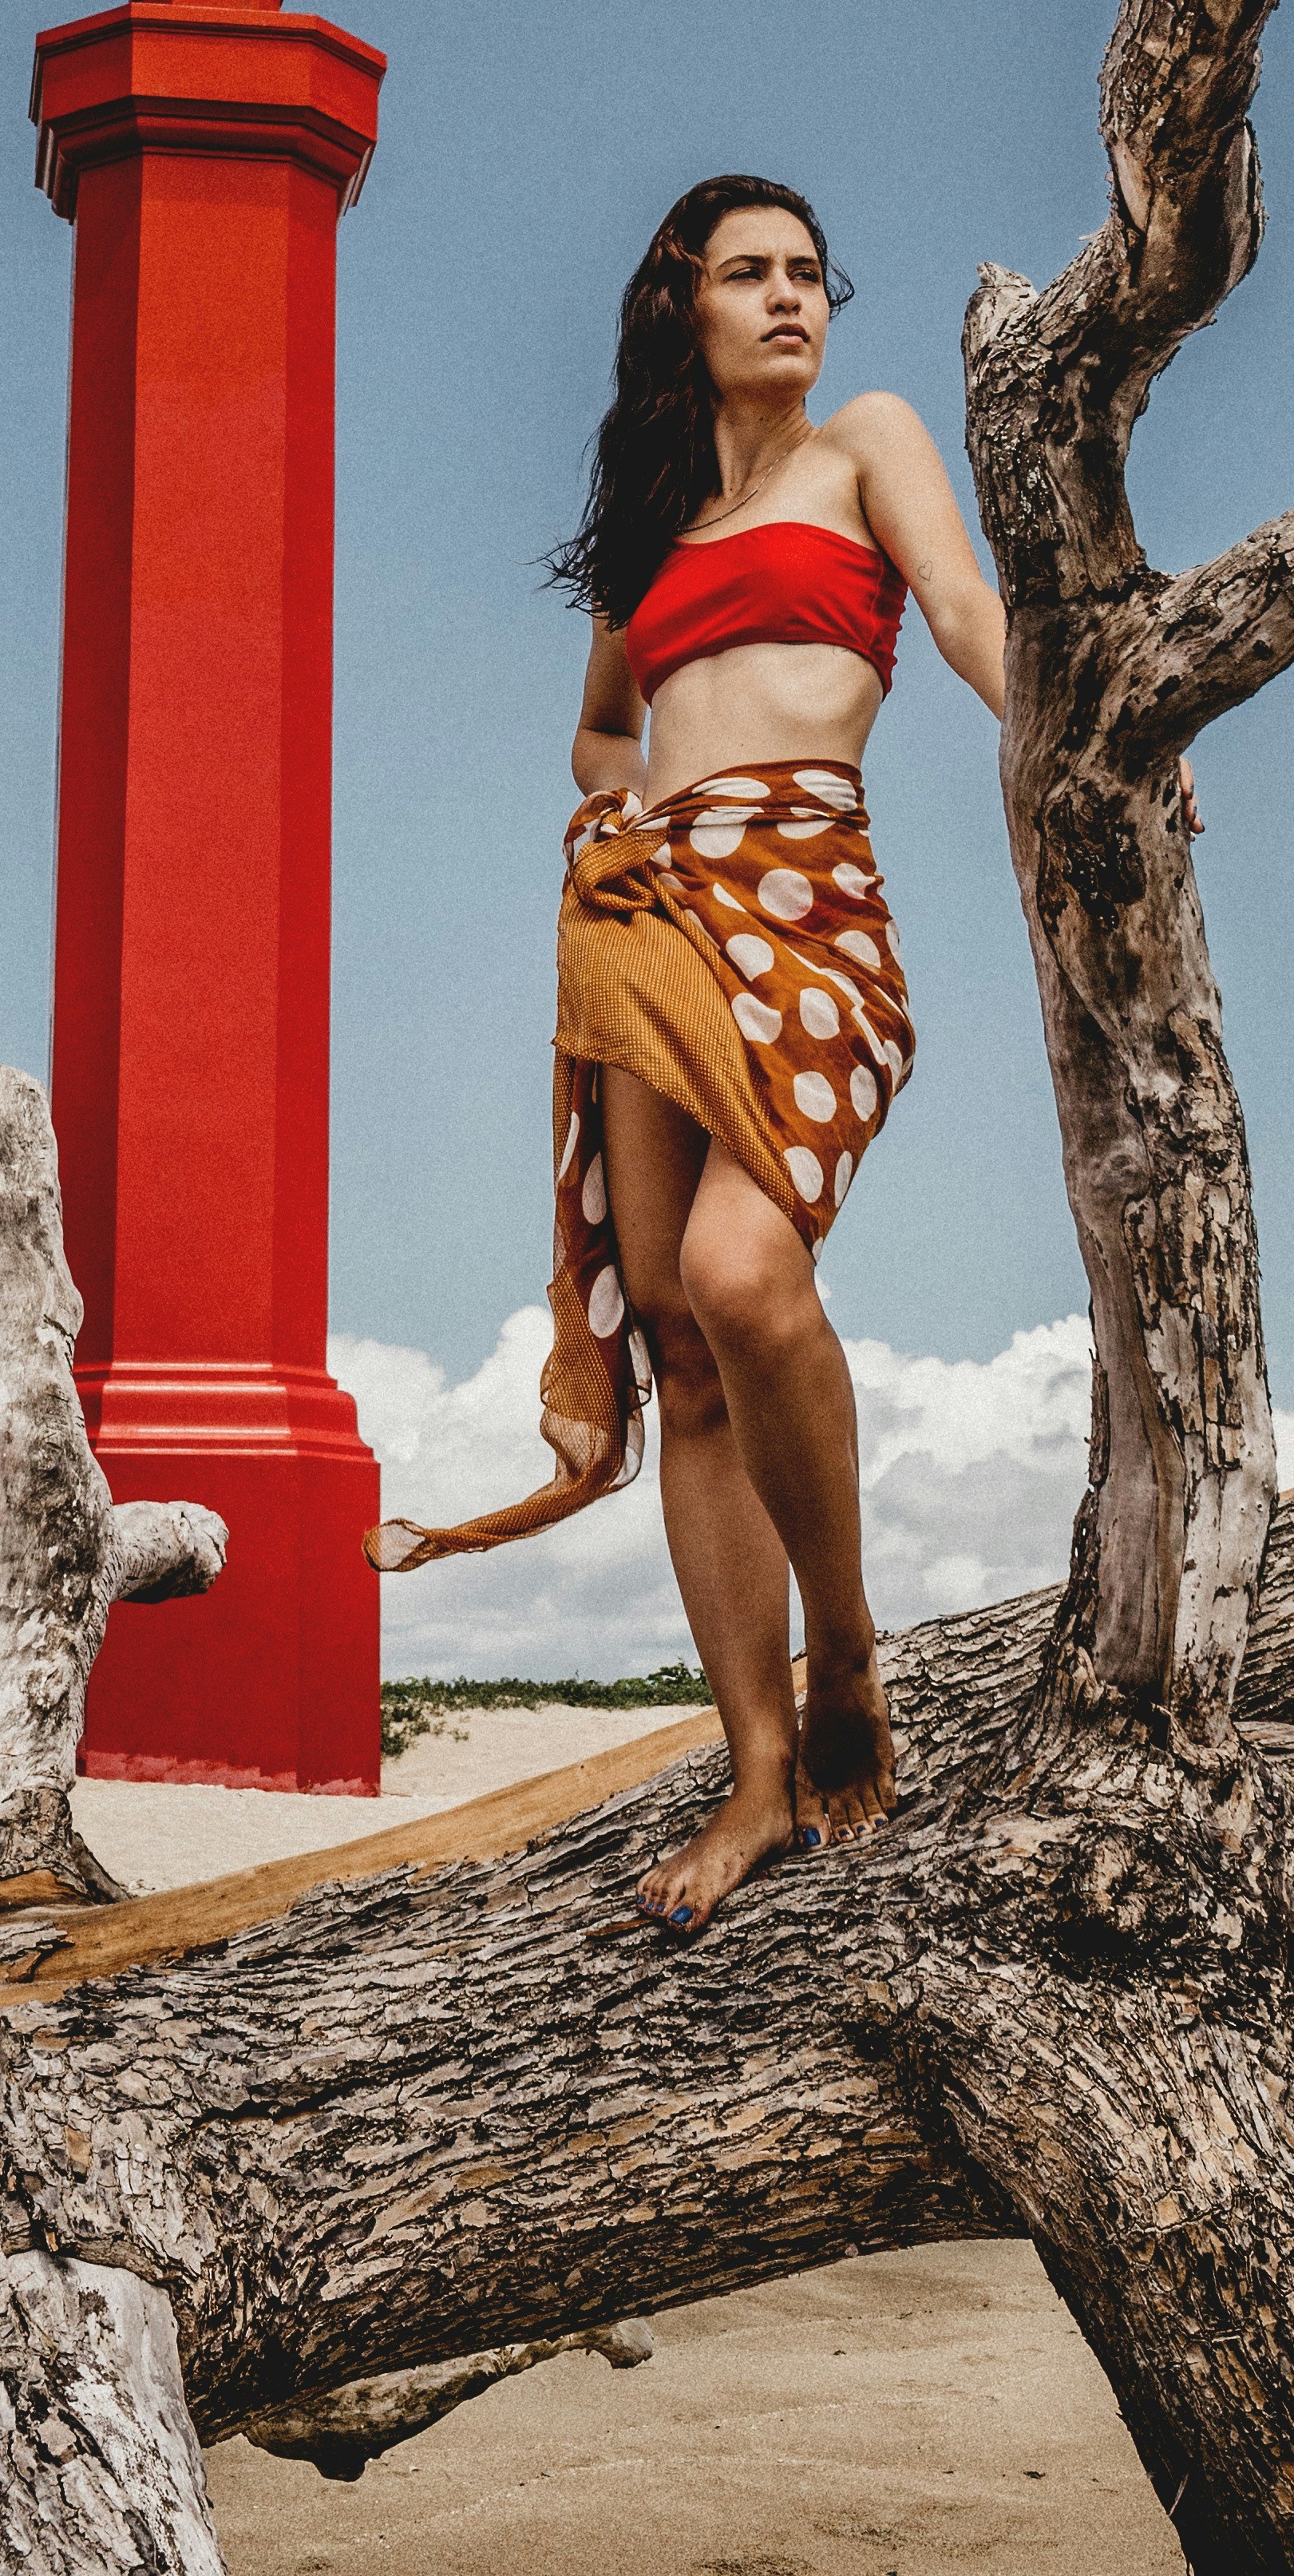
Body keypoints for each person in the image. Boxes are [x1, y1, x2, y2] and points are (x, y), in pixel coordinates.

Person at [367, 173, 1011, 1934]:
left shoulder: (866, 442)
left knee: (744, 1272)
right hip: (653, 921)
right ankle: (754, 1778)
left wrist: (1077, 726)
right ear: (688, 312)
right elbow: (599, 730)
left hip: (810, 902)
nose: (794, 299)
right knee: (674, 1328)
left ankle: (848, 1651)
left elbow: (958, 607)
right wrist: (613, 816)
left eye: (811, 272)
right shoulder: (653, 522)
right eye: (753, 275)